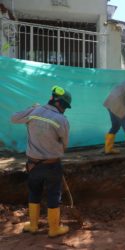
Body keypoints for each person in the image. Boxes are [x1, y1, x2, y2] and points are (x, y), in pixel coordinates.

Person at [11, 85, 71, 237]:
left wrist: (31, 108)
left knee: (34, 193)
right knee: (53, 195)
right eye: (64, 106)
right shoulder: (61, 119)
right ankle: (54, 229)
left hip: (33, 165)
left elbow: (14, 118)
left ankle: (33, 225)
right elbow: (64, 144)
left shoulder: (34, 112)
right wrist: (56, 151)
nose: (64, 109)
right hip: (52, 164)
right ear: (59, 103)